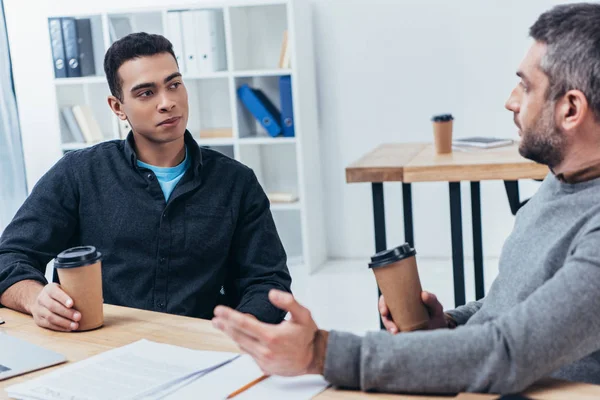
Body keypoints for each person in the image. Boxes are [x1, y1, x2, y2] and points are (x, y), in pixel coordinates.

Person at [212, 3, 600, 394]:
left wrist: (321, 353)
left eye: (527, 86)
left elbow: (507, 350)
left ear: (570, 109)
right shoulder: (562, 177)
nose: (511, 101)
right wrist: (448, 324)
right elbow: (518, 304)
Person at [0, 33, 291, 331]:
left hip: (200, 348)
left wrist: (240, 331)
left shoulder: (236, 182)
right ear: (117, 107)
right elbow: (9, 257)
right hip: (97, 347)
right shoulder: (78, 173)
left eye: (174, 85)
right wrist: (35, 299)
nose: (167, 103)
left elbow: (267, 281)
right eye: (146, 93)